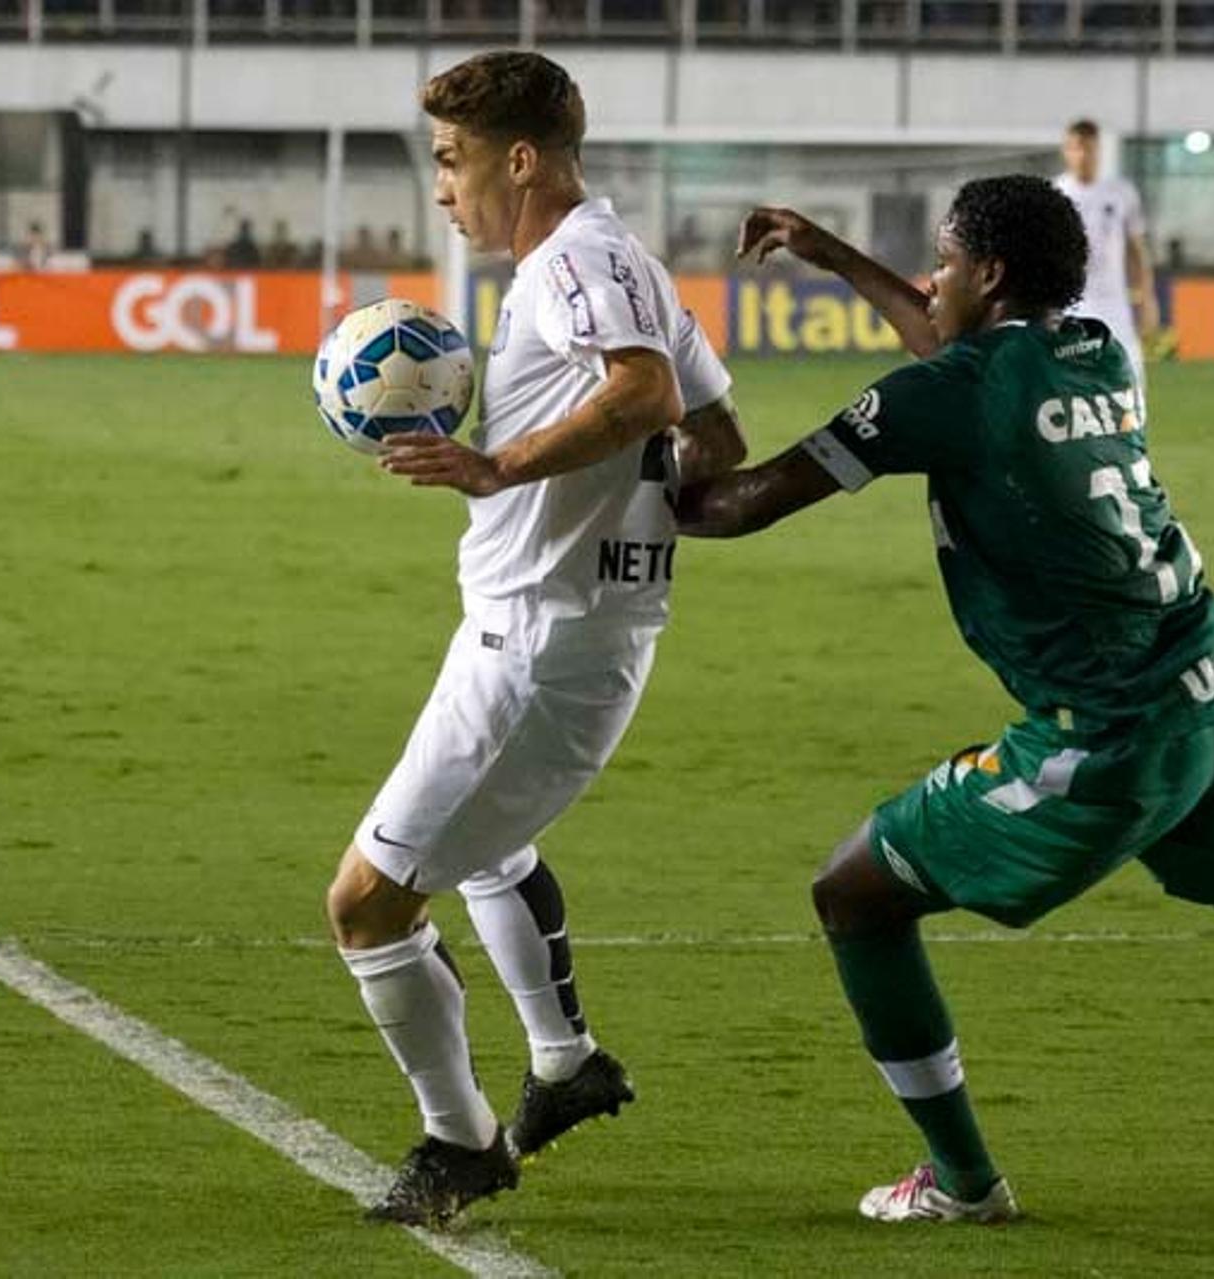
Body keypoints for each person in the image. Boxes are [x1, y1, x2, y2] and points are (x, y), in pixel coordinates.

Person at [673, 177, 1214, 1224]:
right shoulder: (1093, 350)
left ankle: (963, 1183)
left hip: (1116, 730)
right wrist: (835, 256)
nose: (932, 277)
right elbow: (952, 357)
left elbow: (737, 506)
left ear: (986, 274)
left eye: (943, 260)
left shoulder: (947, 393)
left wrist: (624, 468)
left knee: (854, 892)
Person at [322, 50, 746, 1229]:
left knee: (365, 905)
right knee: (489, 851)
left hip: (542, 651)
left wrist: (501, 463)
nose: (444, 190)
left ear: (521, 160)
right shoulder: (626, 262)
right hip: (556, 633)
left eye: (454, 162)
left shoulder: (575, 263)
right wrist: (628, 515)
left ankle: (459, 1146)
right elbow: (716, 433)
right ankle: (565, 1063)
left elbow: (649, 394)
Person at [1053, 118, 1159, 387]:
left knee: (1130, 377)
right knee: (1070, 380)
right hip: (1069, 303)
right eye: (1077, 148)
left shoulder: (1121, 192)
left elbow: (1136, 250)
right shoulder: (1055, 193)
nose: (1083, 155)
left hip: (1113, 303)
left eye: (1089, 148)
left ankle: (1131, 429)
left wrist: (1146, 297)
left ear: (1098, 150)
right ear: (1066, 151)